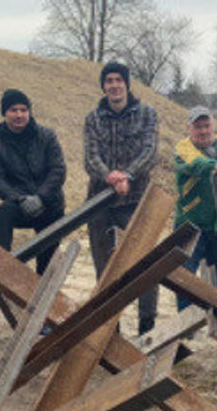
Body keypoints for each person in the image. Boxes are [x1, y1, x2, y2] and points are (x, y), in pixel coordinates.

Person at [84, 61, 160, 335]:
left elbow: (150, 152)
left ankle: (147, 328)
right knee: (104, 270)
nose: (114, 85)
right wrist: (110, 177)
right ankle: (108, 332)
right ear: (103, 86)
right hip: (100, 202)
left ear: (127, 84)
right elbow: (90, 157)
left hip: (137, 199)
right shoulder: (93, 119)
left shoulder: (147, 114)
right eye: (109, 81)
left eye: (119, 80)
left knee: (145, 266)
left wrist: (127, 175)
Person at [173, 105, 217, 310]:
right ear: (189, 128)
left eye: (207, 125)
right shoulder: (182, 148)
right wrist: (216, 165)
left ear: (213, 125)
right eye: (198, 127)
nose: (203, 131)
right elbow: (194, 164)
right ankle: (185, 325)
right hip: (189, 224)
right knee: (184, 278)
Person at [0, 88, 66, 274]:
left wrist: (41, 197)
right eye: (13, 110)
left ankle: (41, 295)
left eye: (23, 110)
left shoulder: (47, 136)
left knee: (46, 262)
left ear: (29, 112)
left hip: (49, 204)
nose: (19, 114)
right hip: (19, 205)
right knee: (4, 212)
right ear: (4, 113)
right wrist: (20, 198)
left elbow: (58, 170)